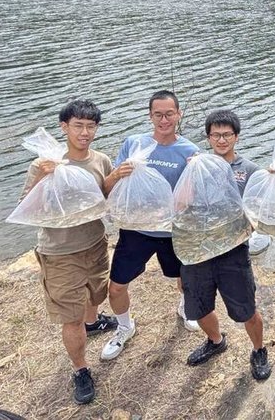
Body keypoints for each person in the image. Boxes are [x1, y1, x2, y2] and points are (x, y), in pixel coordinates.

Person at [19, 100, 117, 404]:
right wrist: (41, 178)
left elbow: (103, 197)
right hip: (60, 252)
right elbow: (28, 207)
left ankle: (93, 322)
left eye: (91, 126)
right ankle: (80, 369)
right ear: (64, 127)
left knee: (95, 296)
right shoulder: (45, 163)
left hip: (95, 243)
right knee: (70, 318)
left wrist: (120, 177)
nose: (85, 132)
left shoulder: (100, 160)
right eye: (78, 125)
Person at [100, 90, 200, 361]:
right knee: (117, 286)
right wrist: (117, 174)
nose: (164, 120)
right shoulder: (134, 144)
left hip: (173, 231)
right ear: (150, 116)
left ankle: (184, 308)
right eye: (158, 114)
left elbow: (195, 199)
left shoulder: (190, 151)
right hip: (136, 229)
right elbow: (108, 189)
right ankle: (124, 327)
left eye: (169, 114)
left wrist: (196, 174)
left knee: (184, 280)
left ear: (178, 114)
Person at [179, 109, 271, 379]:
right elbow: (180, 207)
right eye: (215, 135)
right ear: (208, 138)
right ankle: (215, 341)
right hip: (198, 252)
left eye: (227, 134)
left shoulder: (249, 170)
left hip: (233, 253)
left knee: (246, 309)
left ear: (237, 137)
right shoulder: (196, 166)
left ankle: (259, 349)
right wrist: (190, 171)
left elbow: (259, 212)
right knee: (199, 306)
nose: (221, 140)